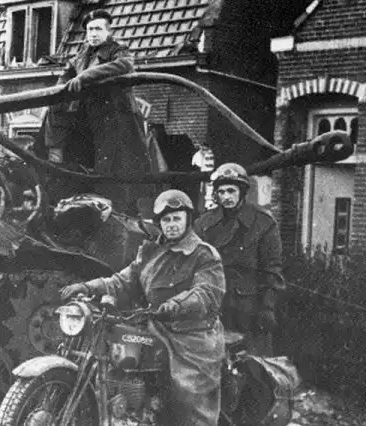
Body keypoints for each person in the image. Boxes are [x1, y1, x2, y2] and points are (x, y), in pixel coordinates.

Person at [61, 189, 225, 425]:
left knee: (188, 396)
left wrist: (176, 305)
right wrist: (88, 287)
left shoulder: (203, 254)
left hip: (191, 336)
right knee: (118, 367)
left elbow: (206, 293)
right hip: (154, 327)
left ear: (188, 220)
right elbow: (122, 281)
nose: (172, 224)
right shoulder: (150, 252)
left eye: (177, 218)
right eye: (166, 220)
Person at [41, 9, 151, 214]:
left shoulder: (117, 50)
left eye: (98, 29)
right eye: (90, 29)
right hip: (89, 120)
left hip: (114, 121)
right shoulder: (81, 56)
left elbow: (124, 65)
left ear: (108, 32)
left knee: (114, 171)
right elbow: (65, 78)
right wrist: (59, 90)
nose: (93, 34)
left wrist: (86, 77)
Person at [194, 163, 285, 357]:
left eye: (231, 191)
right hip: (214, 306)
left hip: (249, 310)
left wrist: (267, 308)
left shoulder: (263, 223)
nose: (226, 197)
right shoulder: (204, 224)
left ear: (242, 192)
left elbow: (272, 271)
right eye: (221, 192)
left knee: (253, 365)